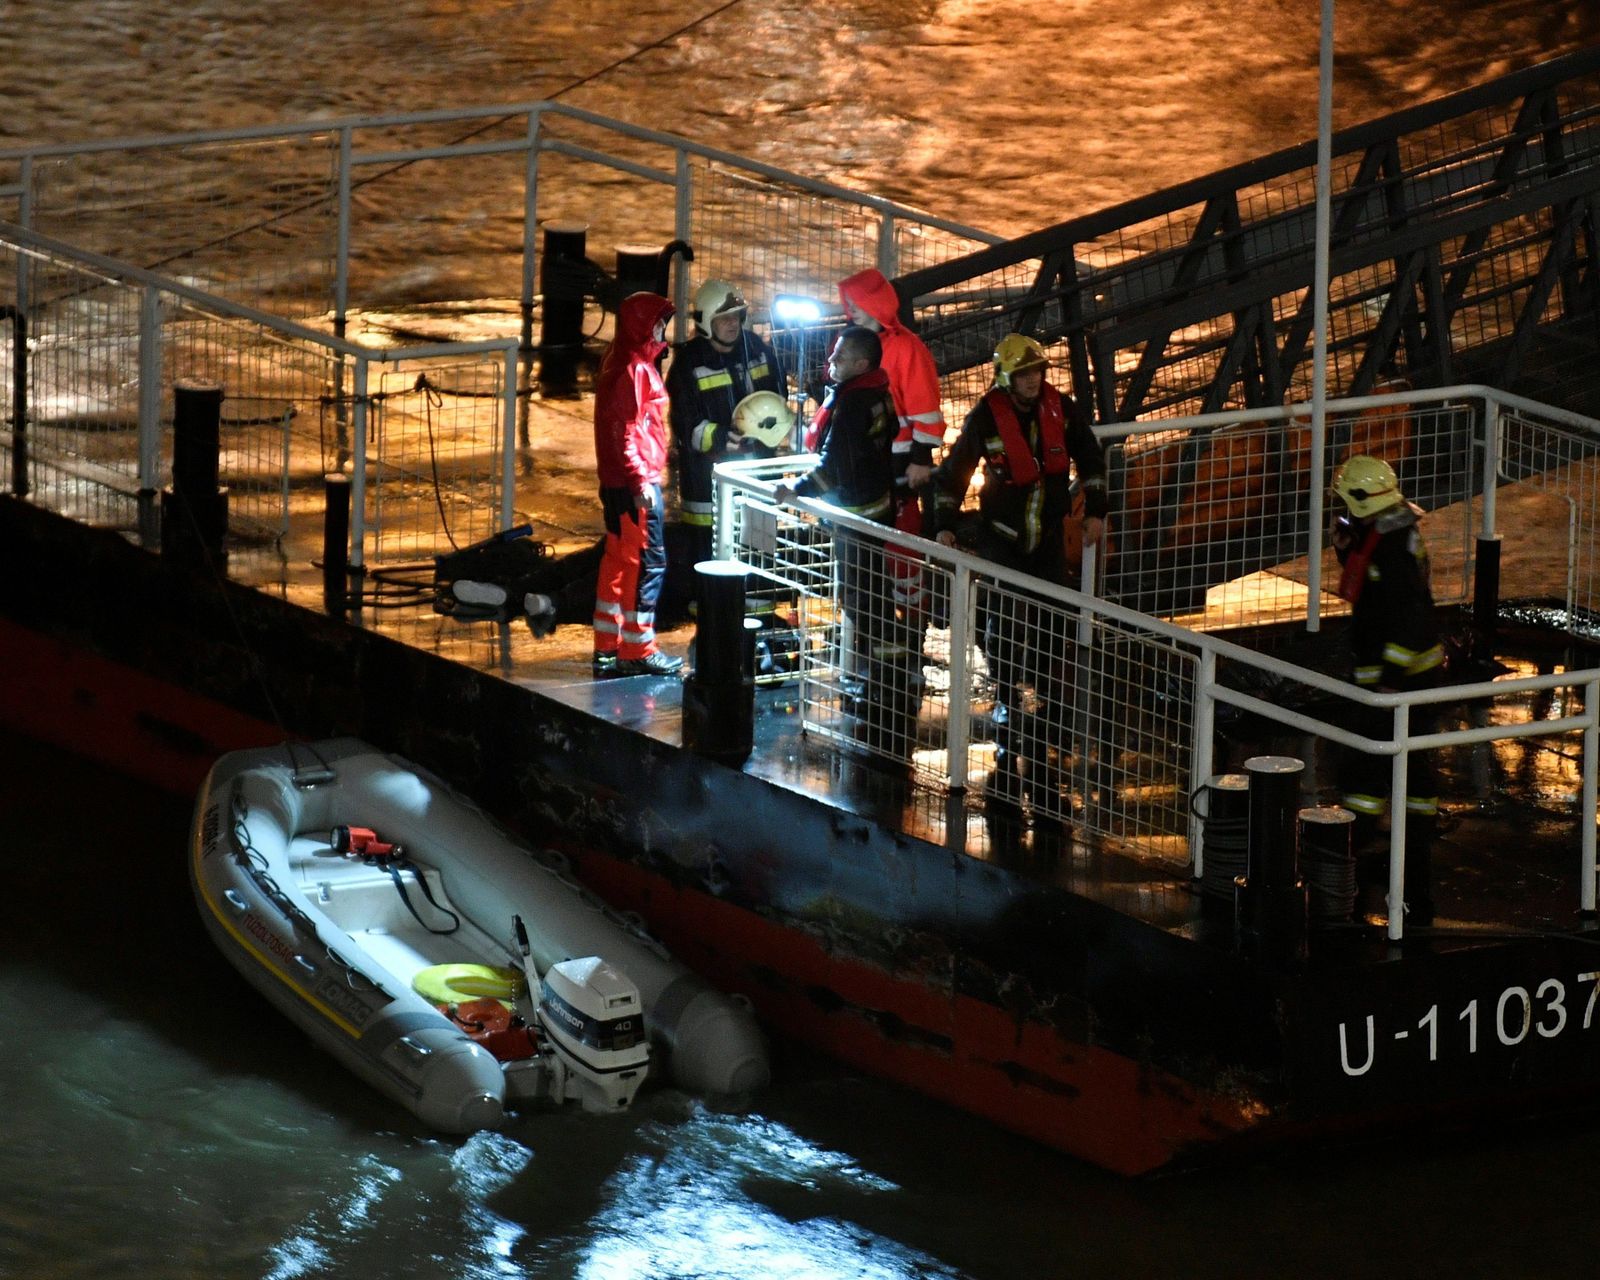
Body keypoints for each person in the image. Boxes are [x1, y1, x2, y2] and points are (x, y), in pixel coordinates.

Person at [930, 334, 1109, 830]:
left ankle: (1046, 710)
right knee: (1003, 627)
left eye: (1038, 372)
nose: (1033, 381)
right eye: (1025, 374)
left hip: (1046, 541)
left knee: (1055, 627)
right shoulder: (986, 417)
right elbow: (954, 472)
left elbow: (1091, 460)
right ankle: (1009, 702)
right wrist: (943, 524)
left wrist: (1096, 511)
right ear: (1007, 378)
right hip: (1000, 541)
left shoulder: (1062, 411)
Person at [775, 326, 917, 759]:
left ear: (861, 364)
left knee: (865, 604)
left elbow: (833, 465)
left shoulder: (854, 403)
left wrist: (795, 489)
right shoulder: (875, 392)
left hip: (857, 518)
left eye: (839, 358)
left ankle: (889, 685)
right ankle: (889, 680)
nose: (830, 363)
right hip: (873, 508)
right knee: (872, 600)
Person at [1331, 454, 1444, 925]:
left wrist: (1389, 678)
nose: (1341, 511)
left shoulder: (1393, 546)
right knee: (1409, 768)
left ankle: (1354, 848)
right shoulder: (1387, 530)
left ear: (1363, 501)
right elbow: (1375, 590)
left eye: (1345, 503)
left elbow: (1406, 617)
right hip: (1402, 674)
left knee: (1369, 767)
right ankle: (1410, 851)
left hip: (1401, 678)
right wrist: (1346, 549)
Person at [666, 279, 789, 574]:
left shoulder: (757, 348)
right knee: (709, 559)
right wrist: (722, 437)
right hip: (708, 479)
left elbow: (778, 395)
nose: (733, 324)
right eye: (724, 318)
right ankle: (711, 603)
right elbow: (686, 424)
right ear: (706, 321)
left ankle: (757, 599)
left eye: (737, 316)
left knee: (760, 552)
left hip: (759, 470)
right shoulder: (689, 363)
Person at [592, 291, 685, 679]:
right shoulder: (635, 370)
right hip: (636, 485)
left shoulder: (621, 361)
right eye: (659, 323)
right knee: (646, 564)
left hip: (619, 484)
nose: (663, 330)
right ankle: (637, 649)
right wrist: (640, 480)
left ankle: (607, 647)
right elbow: (626, 431)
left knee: (617, 561)